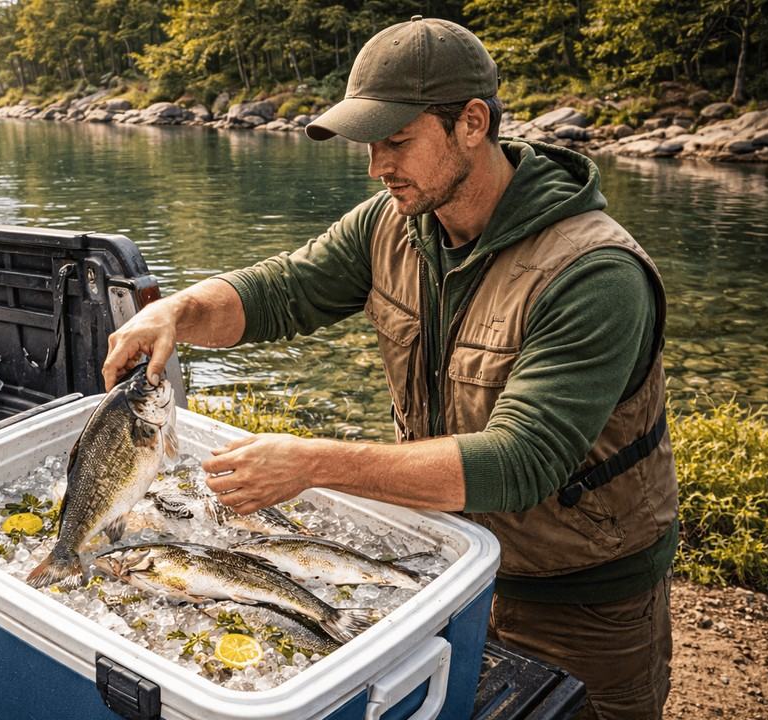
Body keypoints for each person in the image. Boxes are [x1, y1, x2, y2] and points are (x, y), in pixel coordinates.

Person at [102, 15, 677, 720]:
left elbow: (523, 461)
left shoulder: (595, 275)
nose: (377, 168)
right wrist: (179, 313)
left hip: (580, 594)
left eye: (397, 142)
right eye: (370, 144)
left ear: (472, 123)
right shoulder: (393, 221)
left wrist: (311, 462)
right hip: (441, 559)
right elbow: (283, 289)